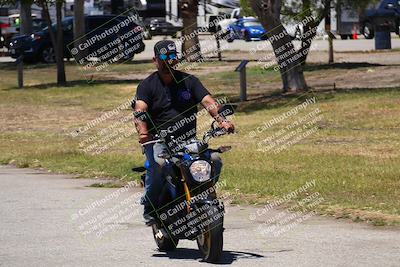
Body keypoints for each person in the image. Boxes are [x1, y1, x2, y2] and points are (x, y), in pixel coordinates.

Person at [133, 40, 235, 225]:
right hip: (158, 140)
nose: (169, 61)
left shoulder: (190, 81)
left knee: (214, 160)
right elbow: (140, 110)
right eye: (164, 58)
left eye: (172, 57)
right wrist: (143, 133)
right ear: (155, 60)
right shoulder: (147, 85)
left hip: (188, 140)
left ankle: (202, 194)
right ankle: (151, 206)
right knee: (158, 164)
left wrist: (222, 121)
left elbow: (208, 102)